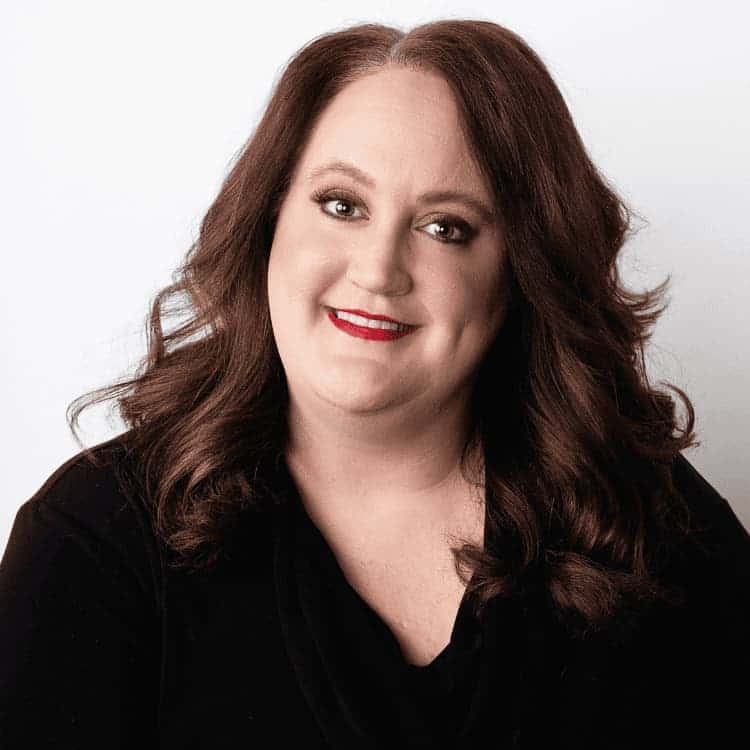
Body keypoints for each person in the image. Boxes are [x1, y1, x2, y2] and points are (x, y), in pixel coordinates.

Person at [1, 18, 748, 750]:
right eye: (341, 205)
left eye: (446, 227)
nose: (378, 269)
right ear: (267, 225)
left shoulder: (655, 535)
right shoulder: (96, 540)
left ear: (521, 275)